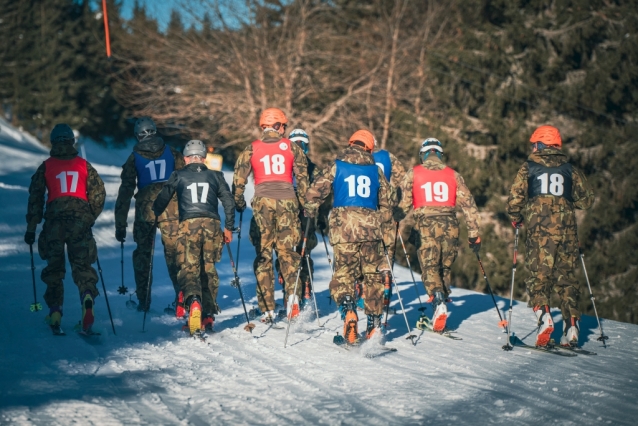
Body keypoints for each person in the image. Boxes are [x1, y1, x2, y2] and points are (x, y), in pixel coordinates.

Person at [506, 125, 594, 347]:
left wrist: (516, 217)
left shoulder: (529, 167)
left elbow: (515, 198)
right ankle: (572, 327)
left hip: (540, 232)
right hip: (567, 232)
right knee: (566, 278)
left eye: (534, 144)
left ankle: (545, 319)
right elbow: (586, 201)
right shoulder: (569, 169)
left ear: (540, 144)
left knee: (539, 277)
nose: (532, 148)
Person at [305, 130, 395, 344]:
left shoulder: (337, 165)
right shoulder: (376, 171)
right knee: (372, 276)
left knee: (344, 274)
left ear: (351, 143)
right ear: (369, 148)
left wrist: (311, 211)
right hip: (371, 229)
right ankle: (373, 326)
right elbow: (387, 202)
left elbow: (314, 192)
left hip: (343, 228)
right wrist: (380, 223)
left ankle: (348, 312)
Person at [25, 123, 106, 334]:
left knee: (54, 269)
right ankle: (87, 297)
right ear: (72, 141)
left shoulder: (46, 166)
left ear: (53, 142)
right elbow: (99, 193)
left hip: (54, 223)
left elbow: (35, 199)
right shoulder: (84, 165)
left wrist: (32, 228)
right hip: (80, 223)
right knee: (82, 267)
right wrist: (90, 217)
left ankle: (55, 312)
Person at [233, 108, 309, 323]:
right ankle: (292, 298)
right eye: (283, 125)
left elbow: (238, 180)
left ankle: (266, 308)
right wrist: (305, 206)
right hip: (288, 202)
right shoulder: (293, 148)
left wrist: (238, 202)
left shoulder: (251, 148)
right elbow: (303, 181)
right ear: (277, 126)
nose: (285, 129)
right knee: (288, 254)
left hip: (262, 204)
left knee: (264, 254)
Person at [153, 140, 235, 335]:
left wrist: (154, 213)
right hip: (212, 225)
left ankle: (194, 303)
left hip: (188, 225)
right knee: (209, 268)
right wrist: (229, 228)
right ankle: (208, 315)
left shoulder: (178, 175)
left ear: (186, 158)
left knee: (189, 268)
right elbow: (228, 202)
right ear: (204, 158)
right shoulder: (216, 175)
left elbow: (163, 198)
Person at [399, 138, 481, 333]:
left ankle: (438, 302)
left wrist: (395, 217)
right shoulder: (453, 175)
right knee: (444, 266)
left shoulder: (414, 173)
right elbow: (469, 205)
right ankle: (442, 301)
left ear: (424, 154)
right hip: (450, 224)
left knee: (429, 267)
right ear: (440, 154)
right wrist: (474, 234)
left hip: (426, 224)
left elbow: (403, 203)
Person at [114, 117, 185, 313]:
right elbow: (186, 179)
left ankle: (144, 301)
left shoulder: (134, 158)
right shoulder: (172, 152)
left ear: (137, 135)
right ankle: (181, 296)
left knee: (144, 254)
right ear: (154, 131)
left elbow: (125, 192)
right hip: (172, 207)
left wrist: (120, 224)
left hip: (146, 210)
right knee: (175, 254)